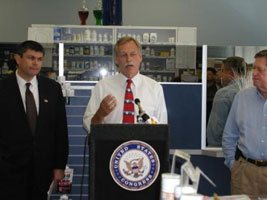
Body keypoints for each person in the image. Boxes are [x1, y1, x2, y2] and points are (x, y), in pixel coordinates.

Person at [0, 40, 69, 200]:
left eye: (39, 59)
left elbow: (60, 129)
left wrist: (59, 166)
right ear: (18, 59)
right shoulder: (3, 89)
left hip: (42, 169)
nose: (36, 63)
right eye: (31, 58)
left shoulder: (52, 89)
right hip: (8, 170)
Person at [83, 36, 168, 132]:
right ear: (116, 60)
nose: (128, 59)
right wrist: (100, 115)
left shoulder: (155, 88)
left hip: (142, 146)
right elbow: (88, 125)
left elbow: (162, 128)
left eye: (133, 54)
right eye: (123, 55)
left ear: (140, 57)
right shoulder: (102, 87)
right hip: (111, 145)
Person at [222, 50, 267, 199]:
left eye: (260, 70)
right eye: (253, 68)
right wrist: (233, 165)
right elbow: (229, 135)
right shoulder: (242, 97)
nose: (254, 74)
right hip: (245, 174)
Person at [207, 57, 247, 147]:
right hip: (244, 147)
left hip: (223, 148)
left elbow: (216, 128)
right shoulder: (251, 90)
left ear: (230, 72)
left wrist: (212, 147)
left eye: (222, 70)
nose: (220, 74)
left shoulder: (224, 93)